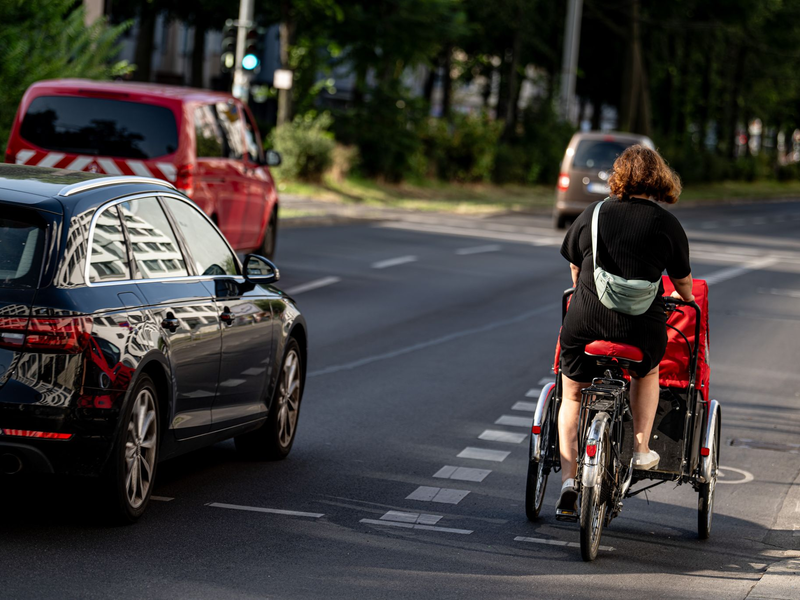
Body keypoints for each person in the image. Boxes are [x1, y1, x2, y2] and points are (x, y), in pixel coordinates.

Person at [556, 145, 694, 515]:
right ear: (658, 179)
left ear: (618, 175)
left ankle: (569, 479)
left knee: (571, 395)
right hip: (640, 331)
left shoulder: (594, 214)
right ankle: (641, 448)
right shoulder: (666, 224)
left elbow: (574, 268)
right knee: (647, 372)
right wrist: (685, 296)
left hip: (585, 322)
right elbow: (682, 284)